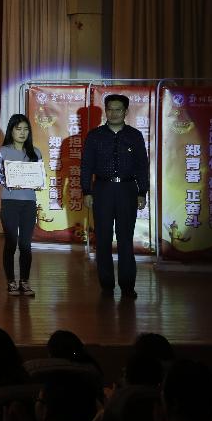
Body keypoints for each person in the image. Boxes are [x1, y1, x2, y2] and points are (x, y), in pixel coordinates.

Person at [80, 93, 149, 300]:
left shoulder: (135, 136)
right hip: (102, 189)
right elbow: (86, 166)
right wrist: (87, 191)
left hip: (128, 189)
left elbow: (142, 166)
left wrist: (142, 191)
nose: (114, 113)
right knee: (102, 238)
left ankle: (127, 285)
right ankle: (107, 284)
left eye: (118, 109)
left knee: (125, 238)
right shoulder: (95, 136)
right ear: (106, 111)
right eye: (110, 109)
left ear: (125, 111)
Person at [0, 113, 43, 296]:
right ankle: (11, 281)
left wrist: (39, 183)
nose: (22, 133)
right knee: (11, 243)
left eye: (26, 129)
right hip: (10, 202)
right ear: (11, 131)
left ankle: (25, 281)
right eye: (18, 129)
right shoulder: (3, 151)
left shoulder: (36, 153)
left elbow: (40, 177)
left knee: (26, 245)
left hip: (29, 203)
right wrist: (10, 181)